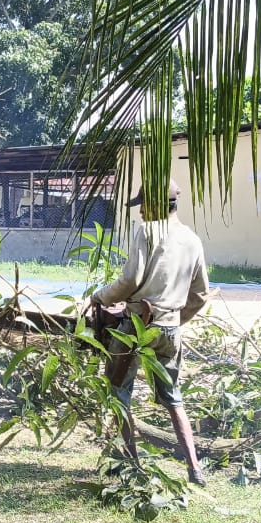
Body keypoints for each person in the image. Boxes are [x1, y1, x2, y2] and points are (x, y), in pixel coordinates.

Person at [88, 178, 210, 486]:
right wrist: (174, 320)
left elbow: (130, 281)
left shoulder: (146, 232)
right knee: (173, 399)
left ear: (154, 204)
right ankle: (194, 468)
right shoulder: (192, 239)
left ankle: (132, 466)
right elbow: (200, 295)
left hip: (137, 327)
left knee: (118, 392)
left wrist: (100, 297)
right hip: (170, 329)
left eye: (143, 205)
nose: (140, 212)